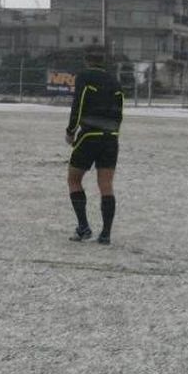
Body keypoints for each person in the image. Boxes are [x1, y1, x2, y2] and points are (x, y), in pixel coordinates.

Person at [65, 47, 124, 245]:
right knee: (106, 184)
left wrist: (71, 130)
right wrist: (114, 133)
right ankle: (106, 234)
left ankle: (83, 227)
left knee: (74, 179)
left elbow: (78, 103)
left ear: (86, 60)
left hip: (90, 135)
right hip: (111, 137)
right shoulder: (114, 81)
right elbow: (120, 109)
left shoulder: (85, 77)